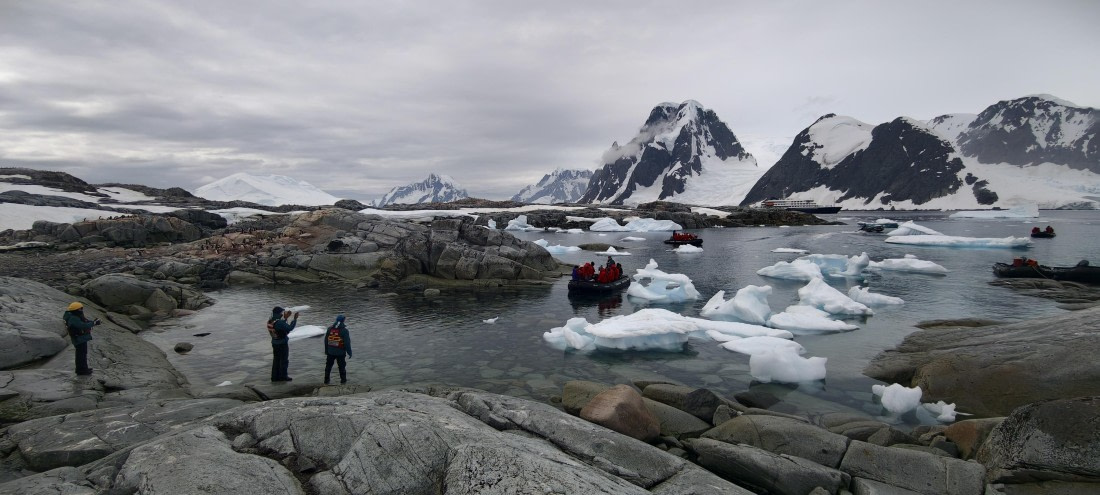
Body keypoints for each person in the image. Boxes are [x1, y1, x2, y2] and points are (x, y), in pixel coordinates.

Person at [63, 302, 99, 375]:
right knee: (81, 354)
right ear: (76, 309)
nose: (81, 310)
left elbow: (85, 321)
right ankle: (81, 370)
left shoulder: (76, 315)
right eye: (80, 308)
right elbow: (82, 326)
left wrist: (93, 322)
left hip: (81, 337)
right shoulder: (73, 318)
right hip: (78, 338)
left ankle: (83, 368)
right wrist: (94, 323)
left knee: (82, 353)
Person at [269, 307, 298, 382]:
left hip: (274, 343)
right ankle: (283, 376)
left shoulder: (270, 321)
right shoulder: (279, 322)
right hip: (282, 344)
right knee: (284, 360)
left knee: (276, 360)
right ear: (278, 313)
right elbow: (289, 328)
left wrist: (285, 318)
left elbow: (279, 327)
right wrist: (295, 319)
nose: (282, 314)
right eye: (281, 313)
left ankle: (274, 377)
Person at [324, 314, 353, 385]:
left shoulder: (330, 329)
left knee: (328, 367)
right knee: (342, 367)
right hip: (340, 353)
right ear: (343, 321)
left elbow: (326, 340)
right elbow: (347, 343)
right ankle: (343, 382)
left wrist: (326, 350)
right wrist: (349, 352)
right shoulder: (344, 330)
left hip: (330, 352)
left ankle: (326, 381)